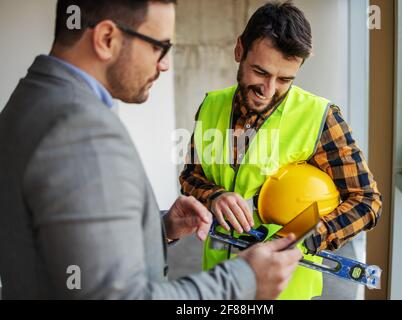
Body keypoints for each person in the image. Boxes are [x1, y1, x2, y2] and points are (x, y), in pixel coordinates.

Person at [0, 0, 302, 300]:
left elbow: (64, 248)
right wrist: (244, 279)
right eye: (160, 46)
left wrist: (157, 229)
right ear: (107, 39)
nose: (165, 63)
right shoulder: (81, 131)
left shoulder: (28, 99)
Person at [179, 1, 383, 300]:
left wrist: (305, 240)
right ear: (239, 50)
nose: (269, 89)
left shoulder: (321, 118)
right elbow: (190, 176)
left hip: (285, 292)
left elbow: (367, 202)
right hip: (221, 285)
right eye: (260, 72)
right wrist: (215, 196)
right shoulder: (211, 105)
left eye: (285, 79)